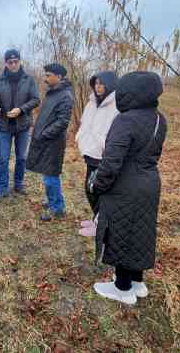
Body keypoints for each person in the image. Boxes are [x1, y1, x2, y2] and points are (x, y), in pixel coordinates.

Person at [89, 71, 168, 305]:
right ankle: (137, 281)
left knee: (120, 230)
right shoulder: (158, 118)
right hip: (150, 181)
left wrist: (97, 185)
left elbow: (112, 162)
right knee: (140, 230)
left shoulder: (125, 120)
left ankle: (122, 288)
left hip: (125, 184)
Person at [0, 49, 40, 202]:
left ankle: (18, 184)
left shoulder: (29, 79)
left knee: (22, 158)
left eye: (16, 61)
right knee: (3, 158)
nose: (13, 64)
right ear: (6, 63)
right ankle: (2, 188)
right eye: (10, 62)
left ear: (20, 61)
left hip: (23, 125)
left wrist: (21, 110)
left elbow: (36, 99)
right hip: (4, 125)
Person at [26, 63, 73, 221]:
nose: (45, 78)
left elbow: (62, 122)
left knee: (51, 176)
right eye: (45, 75)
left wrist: (44, 134)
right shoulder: (52, 93)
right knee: (48, 174)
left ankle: (57, 208)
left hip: (53, 143)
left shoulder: (65, 95)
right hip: (46, 141)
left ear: (58, 77)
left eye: (48, 75)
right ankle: (54, 201)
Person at [75, 71, 120, 236]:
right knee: (90, 189)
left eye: (102, 83)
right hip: (90, 152)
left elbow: (116, 133)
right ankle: (97, 219)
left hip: (103, 155)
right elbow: (85, 123)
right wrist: (80, 137)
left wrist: (104, 145)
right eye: (96, 83)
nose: (98, 87)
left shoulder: (117, 105)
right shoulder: (91, 102)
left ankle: (101, 225)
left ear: (111, 85)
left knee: (97, 190)